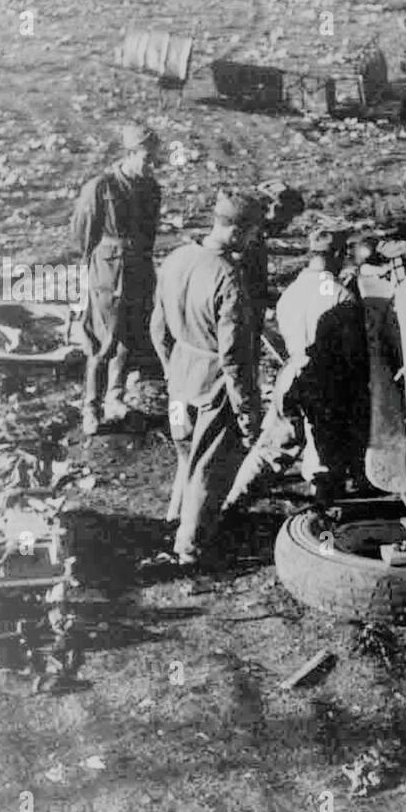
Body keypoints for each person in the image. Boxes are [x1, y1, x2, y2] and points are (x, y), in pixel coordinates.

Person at [224, 217, 369, 512]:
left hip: (290, 377)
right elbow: (353, 357)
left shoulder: (290, 294)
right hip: (325, 385)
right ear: (339, 255)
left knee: (271, 447)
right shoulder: (343, 296)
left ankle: (232, 503)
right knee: (324, 459)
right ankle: (320, 520)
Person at [151, 191, 264, 566]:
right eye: (251, 234)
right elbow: (234, 357)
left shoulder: (176, 258)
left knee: (185, 455)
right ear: (237, 231)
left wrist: (172, 368)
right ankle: (191, 549)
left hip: (179, 381)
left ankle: (173, 522)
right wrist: (247, 412)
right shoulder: (228, 277)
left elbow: (157, 326)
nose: (250, 243)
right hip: (212, 386)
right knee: (209, 470)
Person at [73, 124, 162, 435]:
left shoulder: (152, 188)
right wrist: (94, 269)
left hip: (139, 271)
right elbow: (83, 234)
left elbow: (150, 233)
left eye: (156, 159)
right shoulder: (102, 186)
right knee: (103, 342)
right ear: (131, 154)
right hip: (108, 273)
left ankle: (115, 397)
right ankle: (91, 407)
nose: (153, 165)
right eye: (149, 159)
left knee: (129, 338)